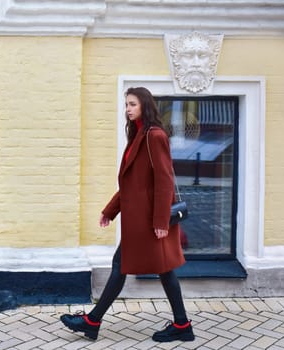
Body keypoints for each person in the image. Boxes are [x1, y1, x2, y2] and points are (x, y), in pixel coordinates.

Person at [60, 87, 194, 343]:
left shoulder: (154, 136)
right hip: (141, 220)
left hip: (150, 221)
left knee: (126, 266)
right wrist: (110, 211)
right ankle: (181, 324)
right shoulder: (139, 135)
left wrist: (160, 222)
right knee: (158, 269)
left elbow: (164, 180)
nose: (128, 109)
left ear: (144, 104)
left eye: (132, 104)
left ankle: (93, 321)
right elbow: (131, 184)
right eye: (126, 105)